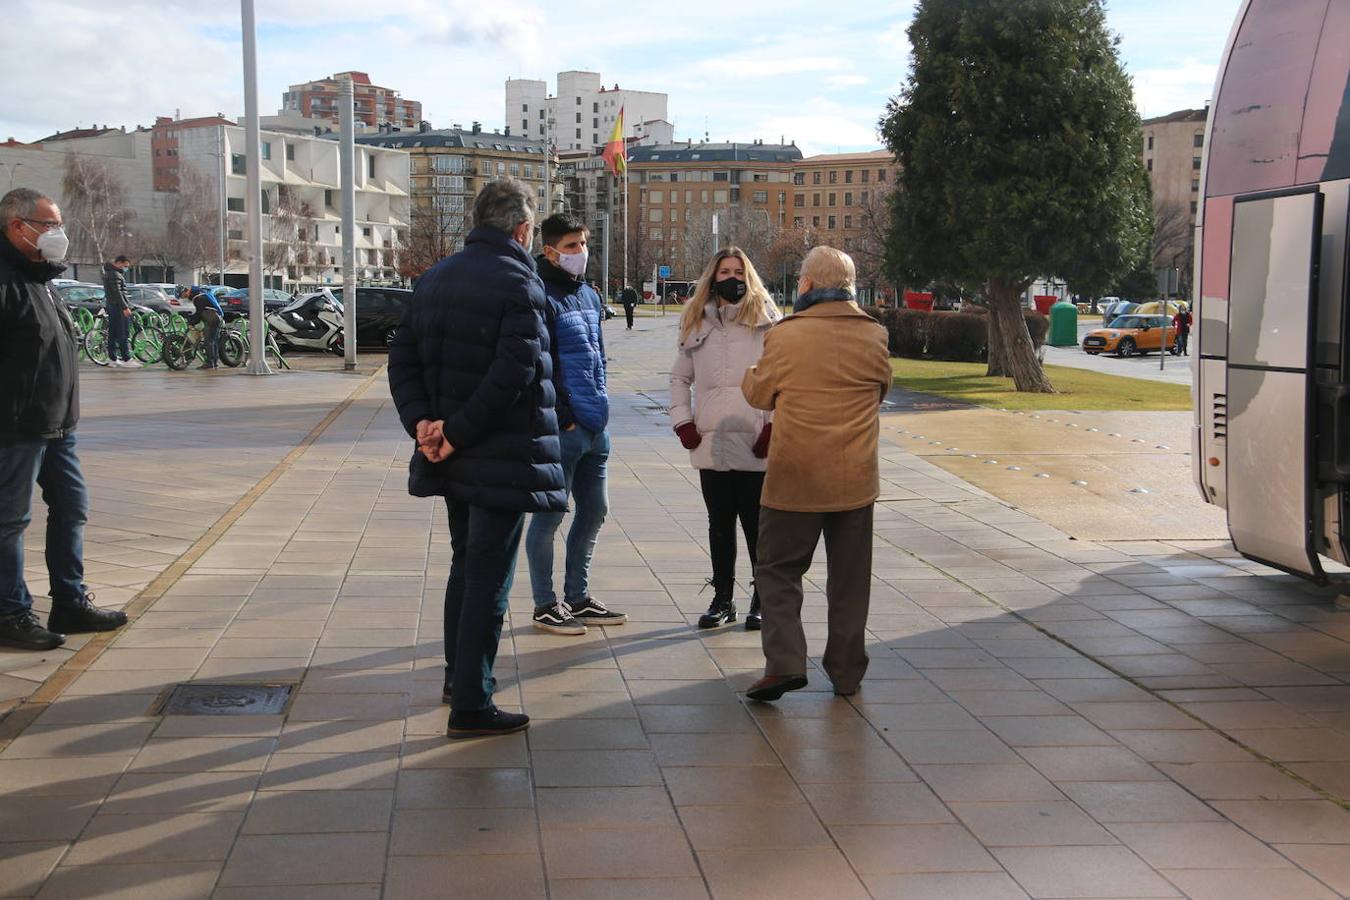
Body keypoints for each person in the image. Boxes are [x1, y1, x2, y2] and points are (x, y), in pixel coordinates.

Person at [388, 178, 566, 739]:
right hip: (500, 454)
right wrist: (456, 433)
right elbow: (514, 374)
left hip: (451, 453)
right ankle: (472, 700)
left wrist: (425, 427)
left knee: (465, 566)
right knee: (488, 575)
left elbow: (402, 360)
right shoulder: (520, 280)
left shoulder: (435, 278)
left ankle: (456, 677)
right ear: (522, 229)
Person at [741, 246, 890, 701]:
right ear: (849, 286)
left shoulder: (787, 335)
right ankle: (847, 673)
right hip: (855, 477)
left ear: (805, 285)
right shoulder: (874, 335)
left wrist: (752, 373)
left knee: (778, 569)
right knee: (849, 580)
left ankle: (785, 663)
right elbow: (881, 389)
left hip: (796, 476)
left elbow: (760, 395)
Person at [0, 188, 129, 650]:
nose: (59, 234)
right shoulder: (6, 279)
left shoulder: (41, 276)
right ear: (18, 227)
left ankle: (69, 604)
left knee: (72, 508)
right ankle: (10, 614)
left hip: (58, 426)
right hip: (15, 427)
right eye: (50, 225)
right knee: (9, 522)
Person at [526, 213, 626, 635]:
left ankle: (578, 597)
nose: (580, 253)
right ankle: (545, 604)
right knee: (550, 516)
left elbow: (597, 357)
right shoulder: (538, 294)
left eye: (582, 244)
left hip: (595, 423)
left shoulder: (588, 294)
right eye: (570, 246)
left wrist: (599, 409)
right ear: (549, 250)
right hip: (563, 428)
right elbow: (537, 364)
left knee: (596, 509)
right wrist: (563, 418)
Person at [669, 247, 780, 631]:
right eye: (724, 271)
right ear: (712, 278)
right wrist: (683, 421)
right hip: (710, 441)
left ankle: (762, 597)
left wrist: (773, 427)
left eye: (738, 270)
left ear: (748, 275)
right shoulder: (696, 322)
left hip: (754, 440)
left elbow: (783, 381)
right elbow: (679, 378)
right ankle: (723, 598)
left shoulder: (768, 321)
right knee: (719, 524)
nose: (731, 278)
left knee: (756, 525)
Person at [102, 254, 139, 368]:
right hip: (118, 307)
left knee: (113, 333)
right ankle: (127, 359)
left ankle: (113, 359)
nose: (126, 268)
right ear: (119, 263)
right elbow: (118, 292)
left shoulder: (109, 273)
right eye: (125, 266)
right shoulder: (115, 274)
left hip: (112, 306)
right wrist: (125, 307)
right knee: (123, 332)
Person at [185, 286, 224, 369]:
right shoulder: (202, 295)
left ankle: (210, 363)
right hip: (217, 318)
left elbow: (198, 313)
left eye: (184, 294)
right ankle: (214, 362)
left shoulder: (199, 298)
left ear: (189, 292)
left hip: (212, 319)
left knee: (208, 341)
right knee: (213, 341)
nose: (185, 297)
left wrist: (192, 322)